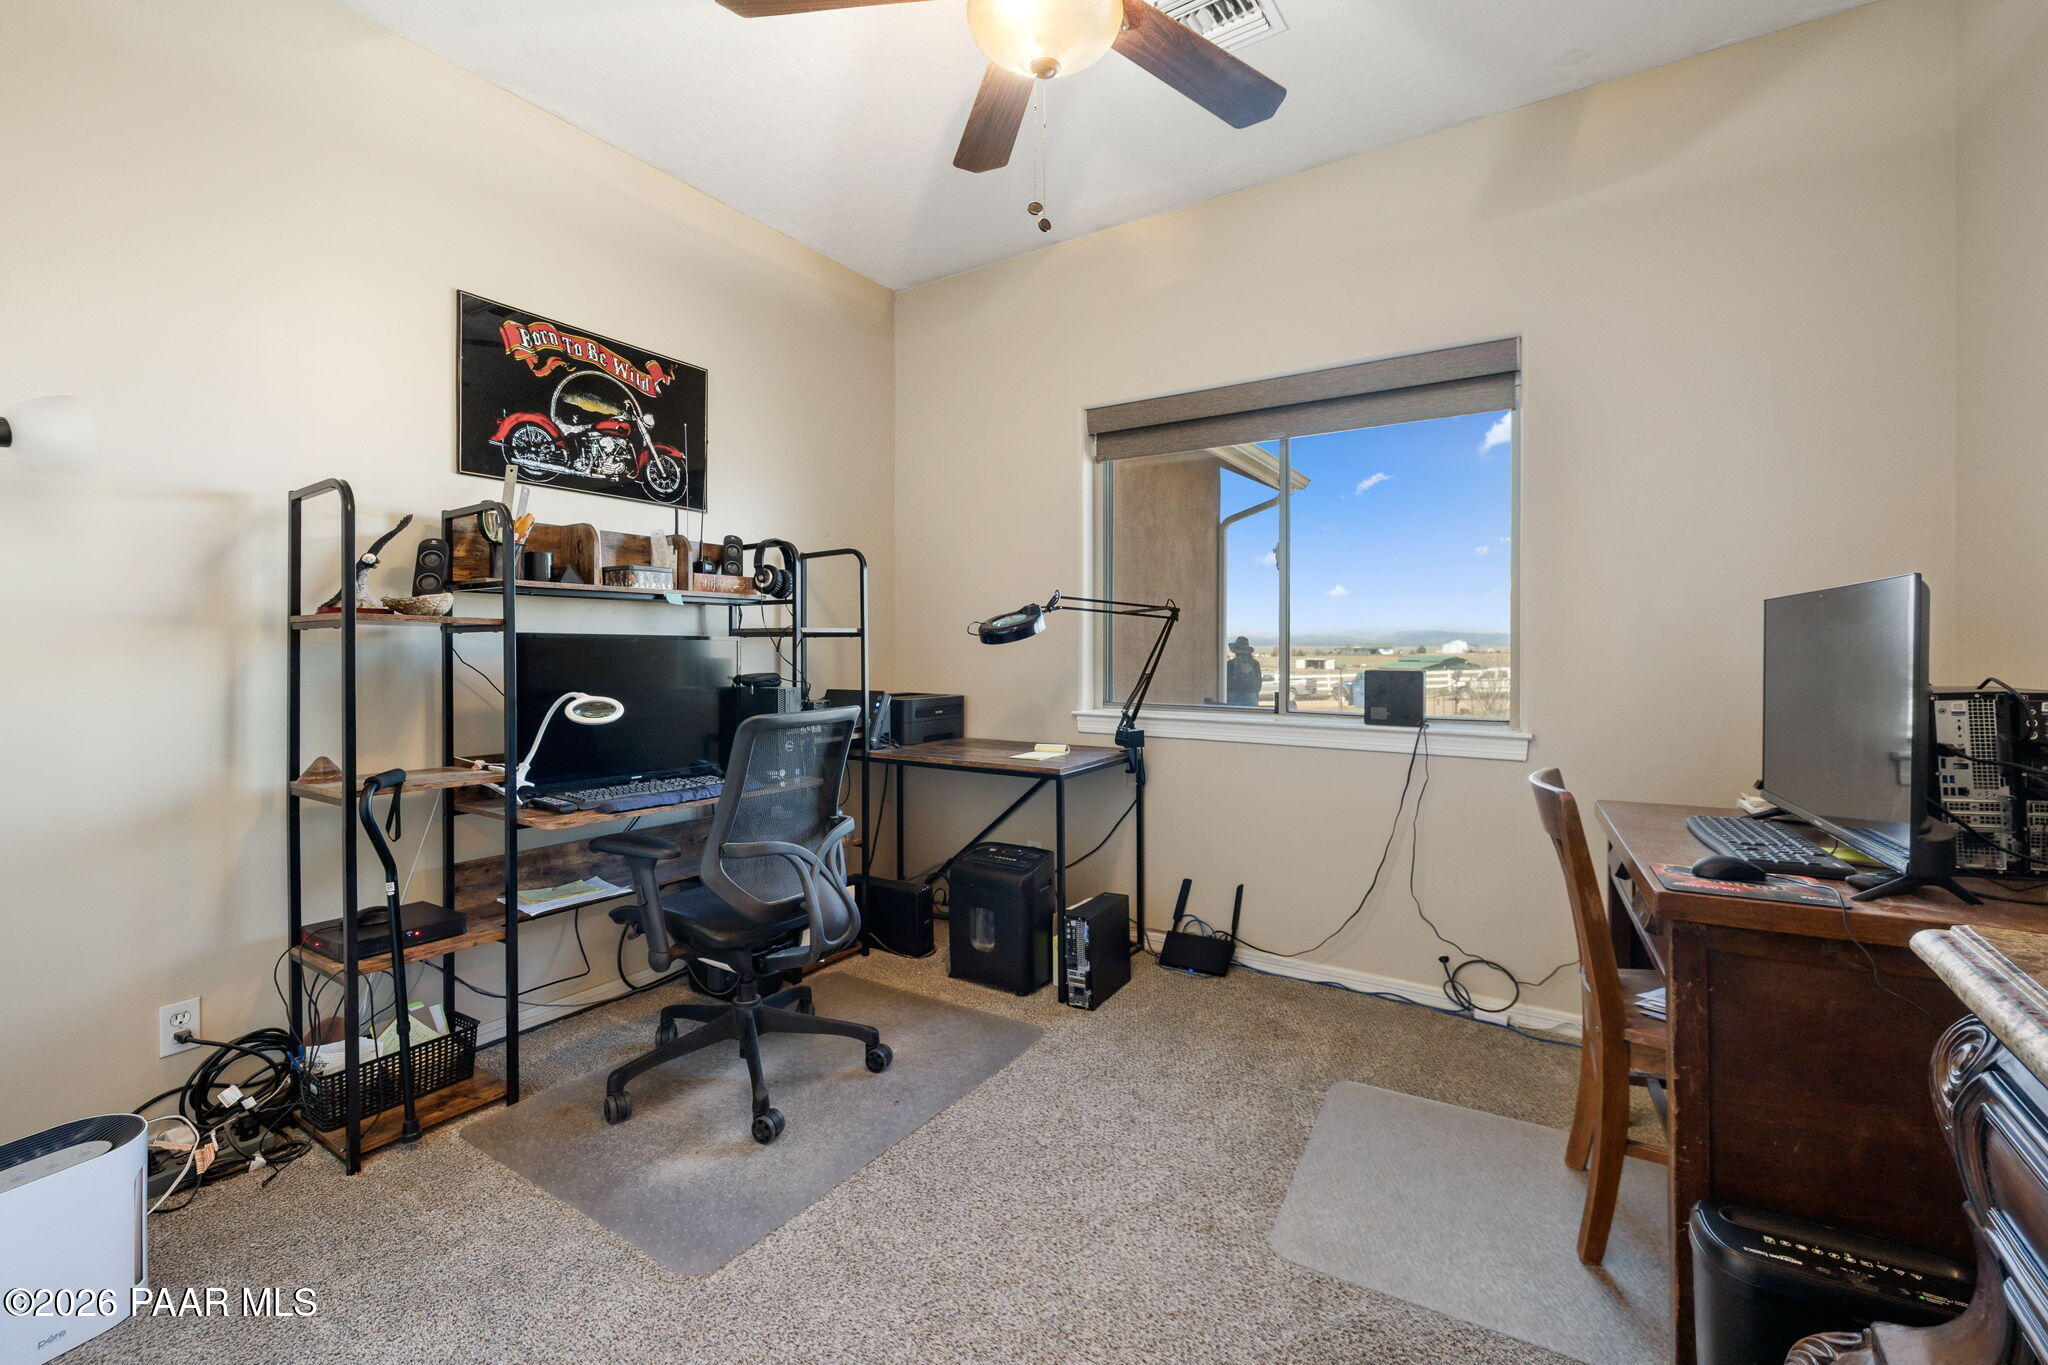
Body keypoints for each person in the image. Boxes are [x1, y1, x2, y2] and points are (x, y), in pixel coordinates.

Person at [1226, 636, 1261, 708]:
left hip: (1234, 697)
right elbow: (1258, 685)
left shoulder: (1230, 664)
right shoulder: (1254, 664)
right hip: (1248, 697)